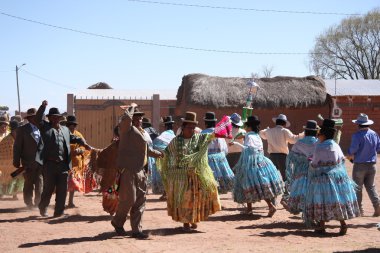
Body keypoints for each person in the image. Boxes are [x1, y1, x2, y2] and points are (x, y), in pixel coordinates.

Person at [158, 111, 221, 231]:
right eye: (189, 127)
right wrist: (157, 154)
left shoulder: (198, 138)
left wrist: (223, 128)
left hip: (195, 176)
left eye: (193, 128)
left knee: (195, 199)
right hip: (181, 178)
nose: (191, 130)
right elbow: (166, 153)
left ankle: (193, 219)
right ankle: (186, 223)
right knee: (184, 200)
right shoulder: (176, 141)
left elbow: (212, 135)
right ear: (183, 127)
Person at [111, 104, 163, 239]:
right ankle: (117, 222)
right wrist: (132, 107)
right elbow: (125, 119)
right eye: (136, 117)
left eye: (140, 118)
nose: (139, 120)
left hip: (141, 171)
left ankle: (136, 230)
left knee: (140, 201)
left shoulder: (142, 132)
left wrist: (159, 154)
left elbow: (145, 151)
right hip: (128, 170)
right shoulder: (126, 130)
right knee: (129, 200)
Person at [36, 100, 91, 218]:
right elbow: (38, 119)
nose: (56, 119)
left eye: (58, 117)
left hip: (63, 165)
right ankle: (43, 207)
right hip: (49, 164)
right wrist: (43, 107)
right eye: (53, 117)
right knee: (48, 188)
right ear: (49, 118)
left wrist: (84, 143)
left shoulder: (65, 130)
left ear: (60, 119)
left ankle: (59, 212)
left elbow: (74, 138)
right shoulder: (44, 127)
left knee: (62, 189)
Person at [305, 119, 360, 235]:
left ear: (323, 134)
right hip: (338, 178)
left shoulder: (319, 147)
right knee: (337, 201)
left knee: (321, 201)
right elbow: (341, 160)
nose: (318, 136)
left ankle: (321, 226)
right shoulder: (336, 145)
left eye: (319, 134)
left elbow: (314, 164)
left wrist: (310, 162)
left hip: (322, 179)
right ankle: (343, 224)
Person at [230, 116, 283, 216]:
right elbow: (259, 149)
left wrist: (236, 143)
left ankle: (251, 209)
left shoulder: (249, 136)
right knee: (261, 186)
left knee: (247, 184)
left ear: (249, 127)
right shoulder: (256, 135)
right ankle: (269, 206)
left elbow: (248, 148)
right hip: (261, 162)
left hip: (250, 163)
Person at [281, 120, 319, 214]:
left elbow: (291, 158)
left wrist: (300, 161)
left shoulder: (299, 143)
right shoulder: (319, 143)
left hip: (301, 172)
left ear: (305, 131)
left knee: (300, 189)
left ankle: (299, 207)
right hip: (316, 171)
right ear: (315, 131)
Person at [347, 113, 380, 217]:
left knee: (357, 187)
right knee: (371, 187)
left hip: (359, 165)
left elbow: (353, 150)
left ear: (358, 124)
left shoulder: (356, 136)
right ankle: (377, 206)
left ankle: (359, 210)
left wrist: (349, 154)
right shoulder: (374, 134)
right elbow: (378, 148)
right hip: (372, 165)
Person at [13, 108, 44, 208]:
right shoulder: (22, 130)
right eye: (34, 117)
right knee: (29, 183)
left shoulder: (42, 128)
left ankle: (38, 203)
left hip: (40, 161)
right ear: (29, 118)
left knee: (39, 182)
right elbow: (17, 146)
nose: (36, 119)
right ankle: (28, 202)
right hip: (28, 162)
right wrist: (16, 161)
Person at [259, 114, 303, 183]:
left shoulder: (269, 131)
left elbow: (261, 134)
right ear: (284, 123)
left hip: (272, 156)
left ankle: (273, 189)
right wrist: (303, 134)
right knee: (285, 174)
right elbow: (293, 140)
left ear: (276, 122)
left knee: (271, 174)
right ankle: (286, 190)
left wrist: (266, 130)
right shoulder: (285, 131)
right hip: (283, 156)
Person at [201, 112, 234, 194]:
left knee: (209, 182)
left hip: (207, 161)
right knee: (218, 181)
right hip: (220, 160)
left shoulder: (202, 133)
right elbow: (225, 149)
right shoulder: (219, 133)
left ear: (205, 123)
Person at [66, 115, 95, 208]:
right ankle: (60, 201)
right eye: (70, 125)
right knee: (63, 184)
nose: (72, 127)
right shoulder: (63, 134)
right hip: (64, 163)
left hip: (75, 165)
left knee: (72, 183)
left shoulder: (79, 135)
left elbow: (84, 148)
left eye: (73, 125)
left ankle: (70, 201)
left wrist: (79, 150)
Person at [151, 116, 176, 200]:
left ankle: (166, 193)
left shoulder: (162, 135)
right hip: (172, 158)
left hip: (163, 158)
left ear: (165, 126)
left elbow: (154, 145)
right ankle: (168, 193)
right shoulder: (174, 136)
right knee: (170, 176)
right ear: (172, 126)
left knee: (165, 175)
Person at [0, 120, 24, 200]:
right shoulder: (6, 140)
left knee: (18, 177)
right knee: (6, 179)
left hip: (17, 163)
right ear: (12, 130)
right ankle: (2, 193)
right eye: (15, 130)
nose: (16, 132)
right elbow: (3, 153)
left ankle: (15, 194)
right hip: (6, 164)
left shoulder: (19, 139)